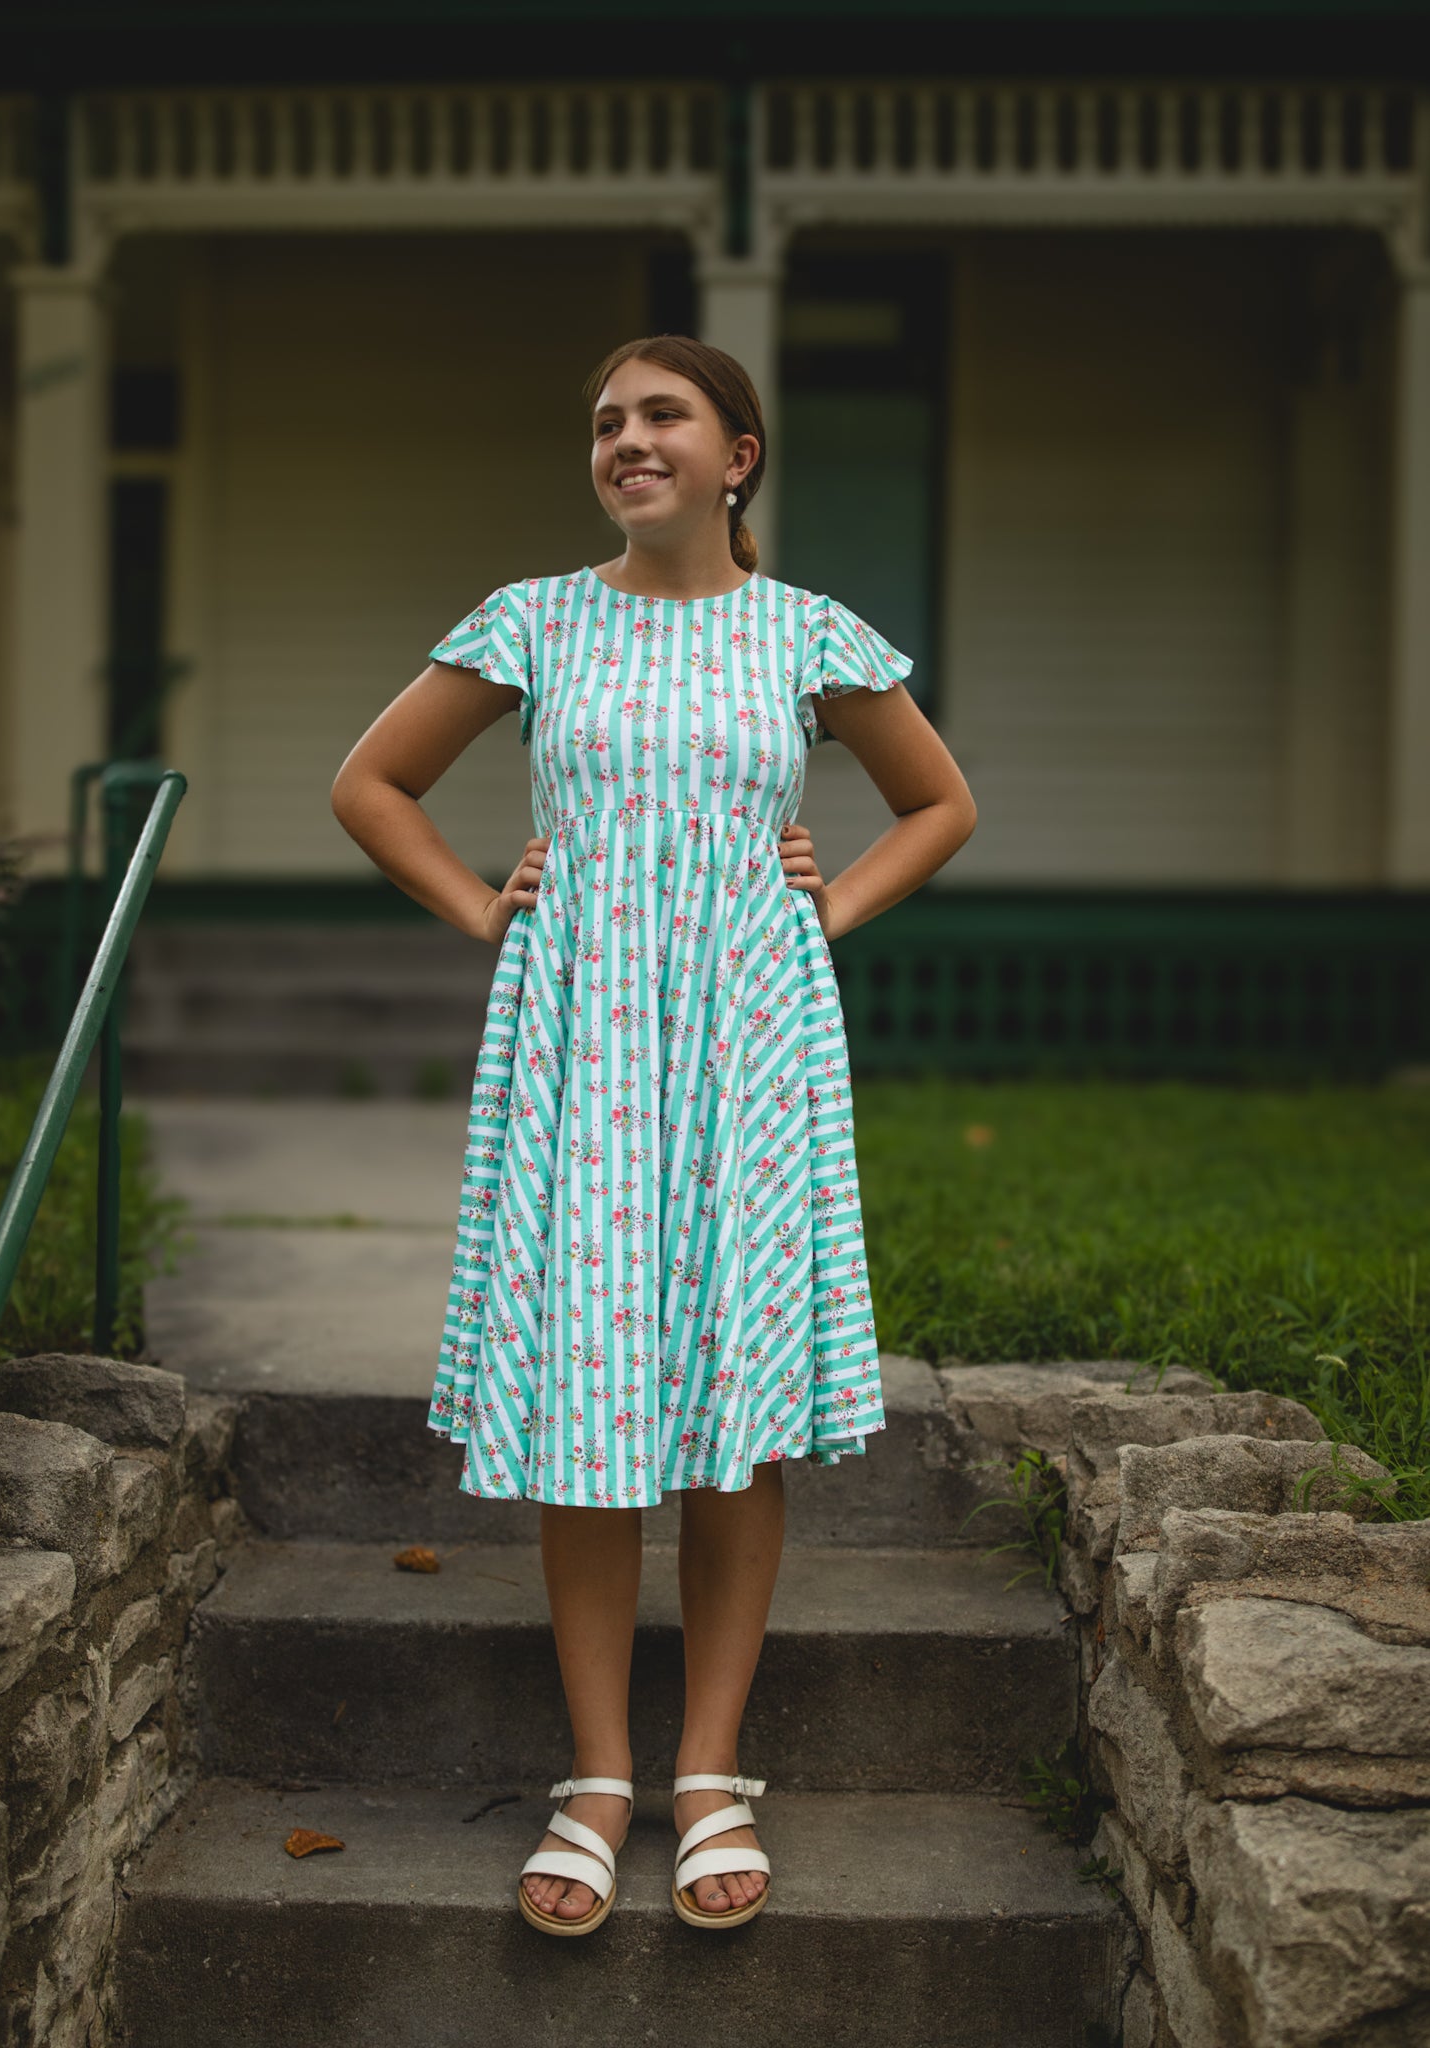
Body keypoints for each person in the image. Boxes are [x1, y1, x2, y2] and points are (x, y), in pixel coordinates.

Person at [330, 333, 977, 1935]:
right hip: (588, 1038)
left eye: (663, 415)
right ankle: (598, 1776)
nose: (628, 439)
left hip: (751, 1037)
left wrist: (829, 907)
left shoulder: (808, 635)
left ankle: (708, 1771)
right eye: (609, 421)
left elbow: (941, 804)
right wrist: (483, 904)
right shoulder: (536, 619)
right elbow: (372, 784)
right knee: (593, 1385)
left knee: (735, 1391)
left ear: (736, 455)